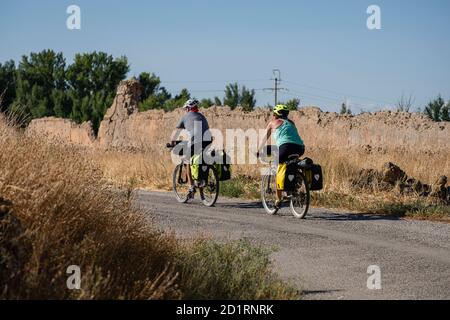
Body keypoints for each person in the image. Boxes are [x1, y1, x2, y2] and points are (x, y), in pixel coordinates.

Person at [257, 104, 305, 207]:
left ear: (275, 114)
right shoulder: (291, 123)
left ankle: (278, 200)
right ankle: (294, 185)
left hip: (286, 147)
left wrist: (258, 150)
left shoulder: (272, 123)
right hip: (300, 148)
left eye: (273, 114)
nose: (272, 115)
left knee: (278, 167)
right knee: (291, 164)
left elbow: (264, 138)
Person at [171, 99, 212, 197]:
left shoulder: (185, 117)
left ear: (188, 108)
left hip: (195, 142)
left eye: (186, 108)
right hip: (208, 141)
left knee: (187, 161)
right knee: (200, 161)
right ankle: (202, 189)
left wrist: (172, 142)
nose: (185, 110)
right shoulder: (202, 116)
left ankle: (191, 187)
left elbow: (177, 131)